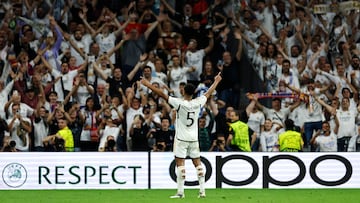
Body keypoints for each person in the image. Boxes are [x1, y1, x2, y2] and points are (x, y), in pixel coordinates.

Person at [140, 72, 222, 198]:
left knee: (180, 165)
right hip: (194, 138)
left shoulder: (179, 103)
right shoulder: (198, 102)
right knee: (198, 164)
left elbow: (162, 94)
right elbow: (208, 93)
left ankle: (180, 192)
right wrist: (216, 81)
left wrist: (148, 84)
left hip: (181, 138)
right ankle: (202, 191)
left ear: (183, 91)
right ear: (194, 92)